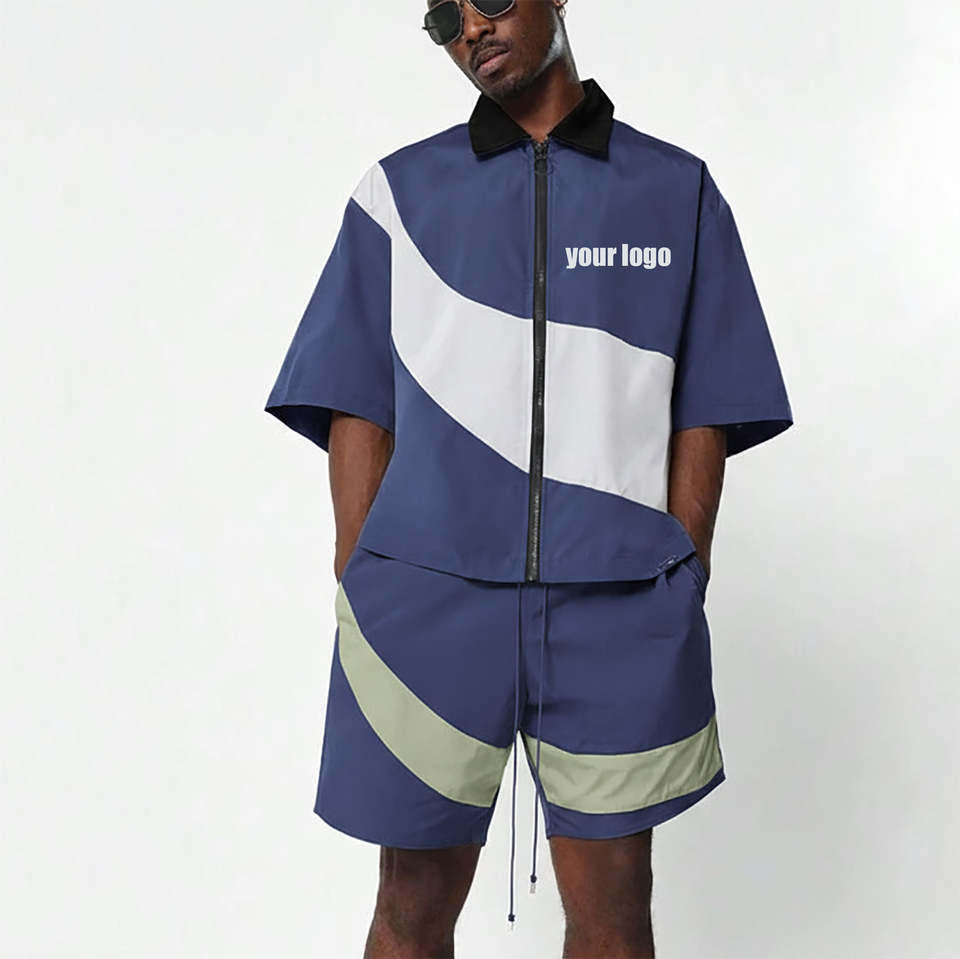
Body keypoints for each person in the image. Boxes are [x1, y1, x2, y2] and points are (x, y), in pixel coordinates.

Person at [264, 1, 793, 955]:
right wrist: (363, 569)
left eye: (493, 0)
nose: (472, 28)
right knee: (411, 903)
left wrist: (683, 563)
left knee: (614, 909)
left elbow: (709, 400)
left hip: (617, 603)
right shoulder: (399, 193)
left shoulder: (675, 191)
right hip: (428, 602)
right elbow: (353, 393)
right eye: (445, 17)